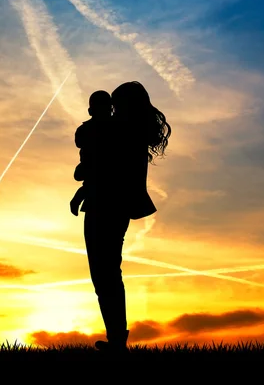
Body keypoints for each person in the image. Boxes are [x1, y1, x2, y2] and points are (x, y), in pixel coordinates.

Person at [71, 81, 171, 353]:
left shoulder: (123, 132)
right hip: (112, 205)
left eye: (115, 103)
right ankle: (116, 338)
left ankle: (117, 340)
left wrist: (84, 185)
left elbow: (107, 171)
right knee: (107, 273)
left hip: (106, 206)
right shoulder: (129, 132)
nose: (111, 109)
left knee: (104, 274)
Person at [70, 90, 112, 217]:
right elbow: (79, 143)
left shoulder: (115, 127)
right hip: (93, 176)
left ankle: (80, 195)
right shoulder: (86, 129)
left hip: (102, 182)